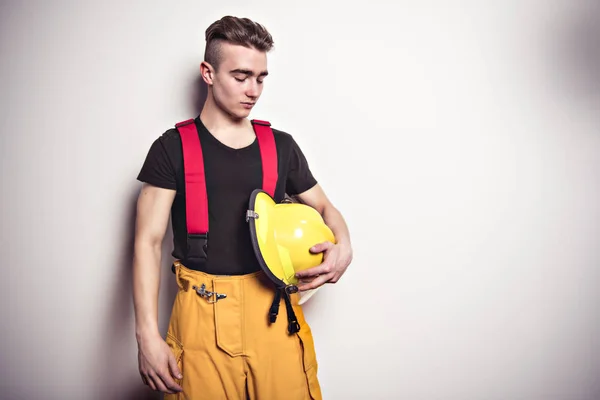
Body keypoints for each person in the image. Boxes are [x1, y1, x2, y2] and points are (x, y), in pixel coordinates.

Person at [132, 15, 353, 400]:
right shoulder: (172, 148)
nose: (253, 89)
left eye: (261, 77)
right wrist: (147, 335)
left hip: (275, 313)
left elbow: (325, 208)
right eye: (240, 76)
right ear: (208, 72)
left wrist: (344, 246)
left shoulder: (280, 146)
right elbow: (147, 243)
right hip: (200, 317)